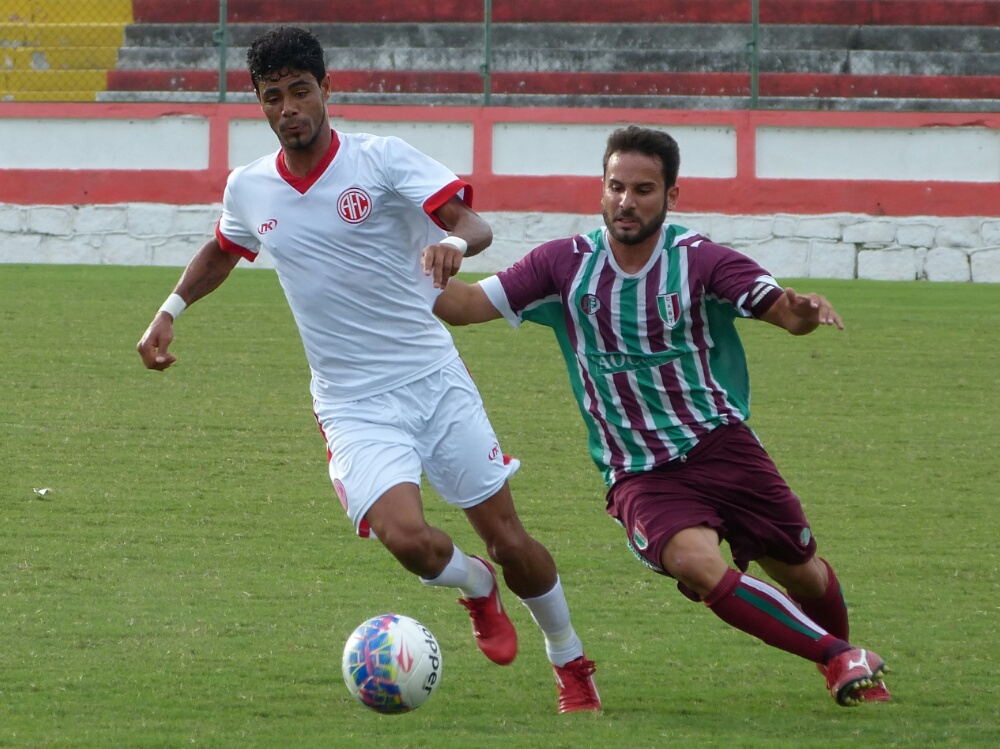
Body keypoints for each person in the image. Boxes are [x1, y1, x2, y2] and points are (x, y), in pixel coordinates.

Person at [135, 26, 600, 714]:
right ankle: (475, 586)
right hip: (353, 403)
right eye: (273, 97)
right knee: (408, 539)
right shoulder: (251, 187)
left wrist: (448, 241)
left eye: (300, 90)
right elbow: (224, 249)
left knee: (510, 539)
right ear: (260, 106)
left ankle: (570, 658)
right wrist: (170, 309)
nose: (289, 106)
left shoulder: (381, 161)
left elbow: (474, 225)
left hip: (434, 382)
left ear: (326, 90)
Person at [432, 125, 890, 707]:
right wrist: (398, 260)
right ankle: (835, 657)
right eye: (616, 187)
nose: (627, 202)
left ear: (671, 196)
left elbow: (782, 311)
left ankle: (848, 661)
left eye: (644, 189)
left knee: (803, 573)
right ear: (601, 188)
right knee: (697, 565)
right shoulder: (563, 264)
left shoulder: (701, 262)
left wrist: (802, 311)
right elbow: (466, 306)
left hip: (722, 446)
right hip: (639, 471)